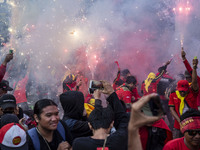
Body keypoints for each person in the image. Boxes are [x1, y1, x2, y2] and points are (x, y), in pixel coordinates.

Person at [72, 81, 128, 150]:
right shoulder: (120, 140)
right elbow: (123, 120)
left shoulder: (79, 144)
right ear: (111, 124)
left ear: (90, 125)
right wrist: (112, 94)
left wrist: (98, 100)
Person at [169, 57, 199, 138]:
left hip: (192, 123)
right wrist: (180, 121)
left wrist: (194, 67)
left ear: (188, 89)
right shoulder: (173, 94)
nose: (182, 92)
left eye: (184, 91)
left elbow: (195, 82)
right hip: (178, 125)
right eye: (180, 91)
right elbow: (172, 109)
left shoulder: (192, 92)